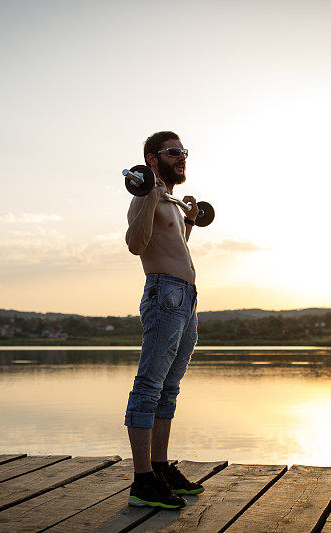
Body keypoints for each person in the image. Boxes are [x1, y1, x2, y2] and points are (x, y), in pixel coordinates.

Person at [124, 131, 204, 509]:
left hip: (185, 298)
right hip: (163, 294)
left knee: (168, 389)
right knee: (149, 386)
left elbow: (174, 246)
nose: (182, 158)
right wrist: (148, 199)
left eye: (184, 152)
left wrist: (188, 220)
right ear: (153, 160)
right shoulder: (145, 195)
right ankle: (142, 482)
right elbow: (136, 244)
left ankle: (160, 467)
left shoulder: (168, 201)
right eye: (174, 153)